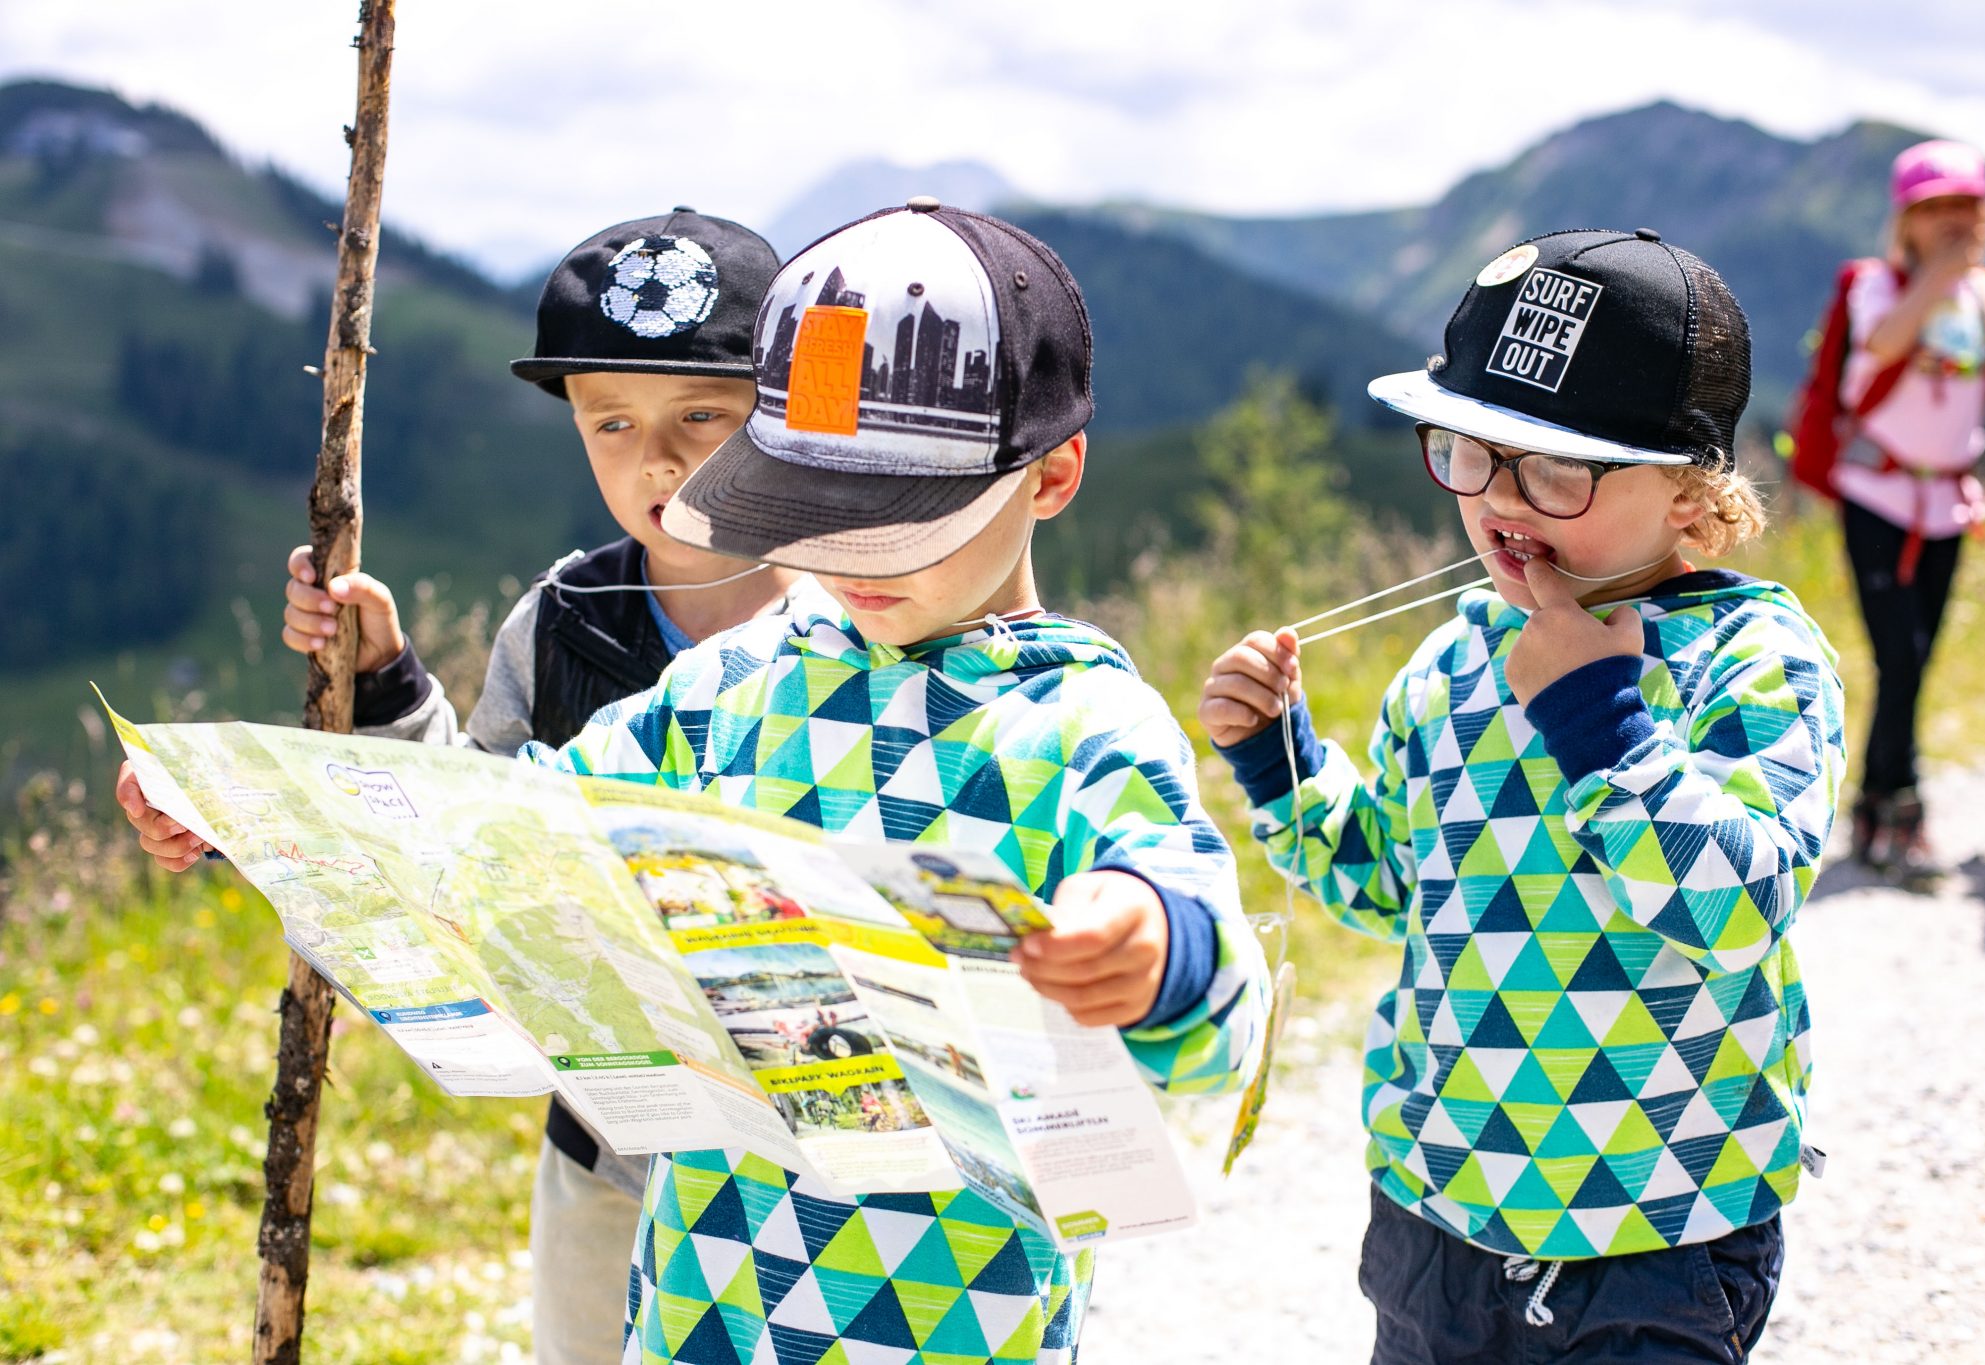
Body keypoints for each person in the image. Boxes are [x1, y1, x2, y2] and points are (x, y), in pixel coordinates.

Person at [526, 200, 1267, 1363]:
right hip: (703, 1301)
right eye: (813, 511)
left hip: (951, 1317)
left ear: (1051, 474)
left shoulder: (1080, 721)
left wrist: (1154, 946)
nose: (852, 557)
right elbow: (552, 812)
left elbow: (1209, 979)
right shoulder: (730, 684)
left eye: (902, 518)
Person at [114, 209, 833, 1365]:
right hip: (608, 1150)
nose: (657, 459)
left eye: (703, 414)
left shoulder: (863, 614)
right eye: (611, 422)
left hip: (829, 1166)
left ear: (782, 413)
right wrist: (358, 703)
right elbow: (463, 836)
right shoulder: (560, 623)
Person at [1199, 230, 1846, 1362]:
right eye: (1471, 448)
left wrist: (1601, 720)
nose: (1500, 495)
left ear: (1690, 490)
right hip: (1439, 1215)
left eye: (1555, 468)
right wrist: (1277, 758)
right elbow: (1386, 885)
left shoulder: (1751, 661)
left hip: (1665, 1226)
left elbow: (1737, 908)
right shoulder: (1450, 665)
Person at [1827, 140, 1985, 878]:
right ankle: (1902, 811)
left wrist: (1966, 281)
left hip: (1949, 505)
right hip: (1875, 497)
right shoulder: (1877, 286)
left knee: (1916, 661)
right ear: (1907, 220)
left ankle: (1876, 809)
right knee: (1900, 656)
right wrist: (1941, 276)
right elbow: (1883, 341)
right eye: (1935, 207)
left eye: (1966, 205)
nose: (1952, 218)